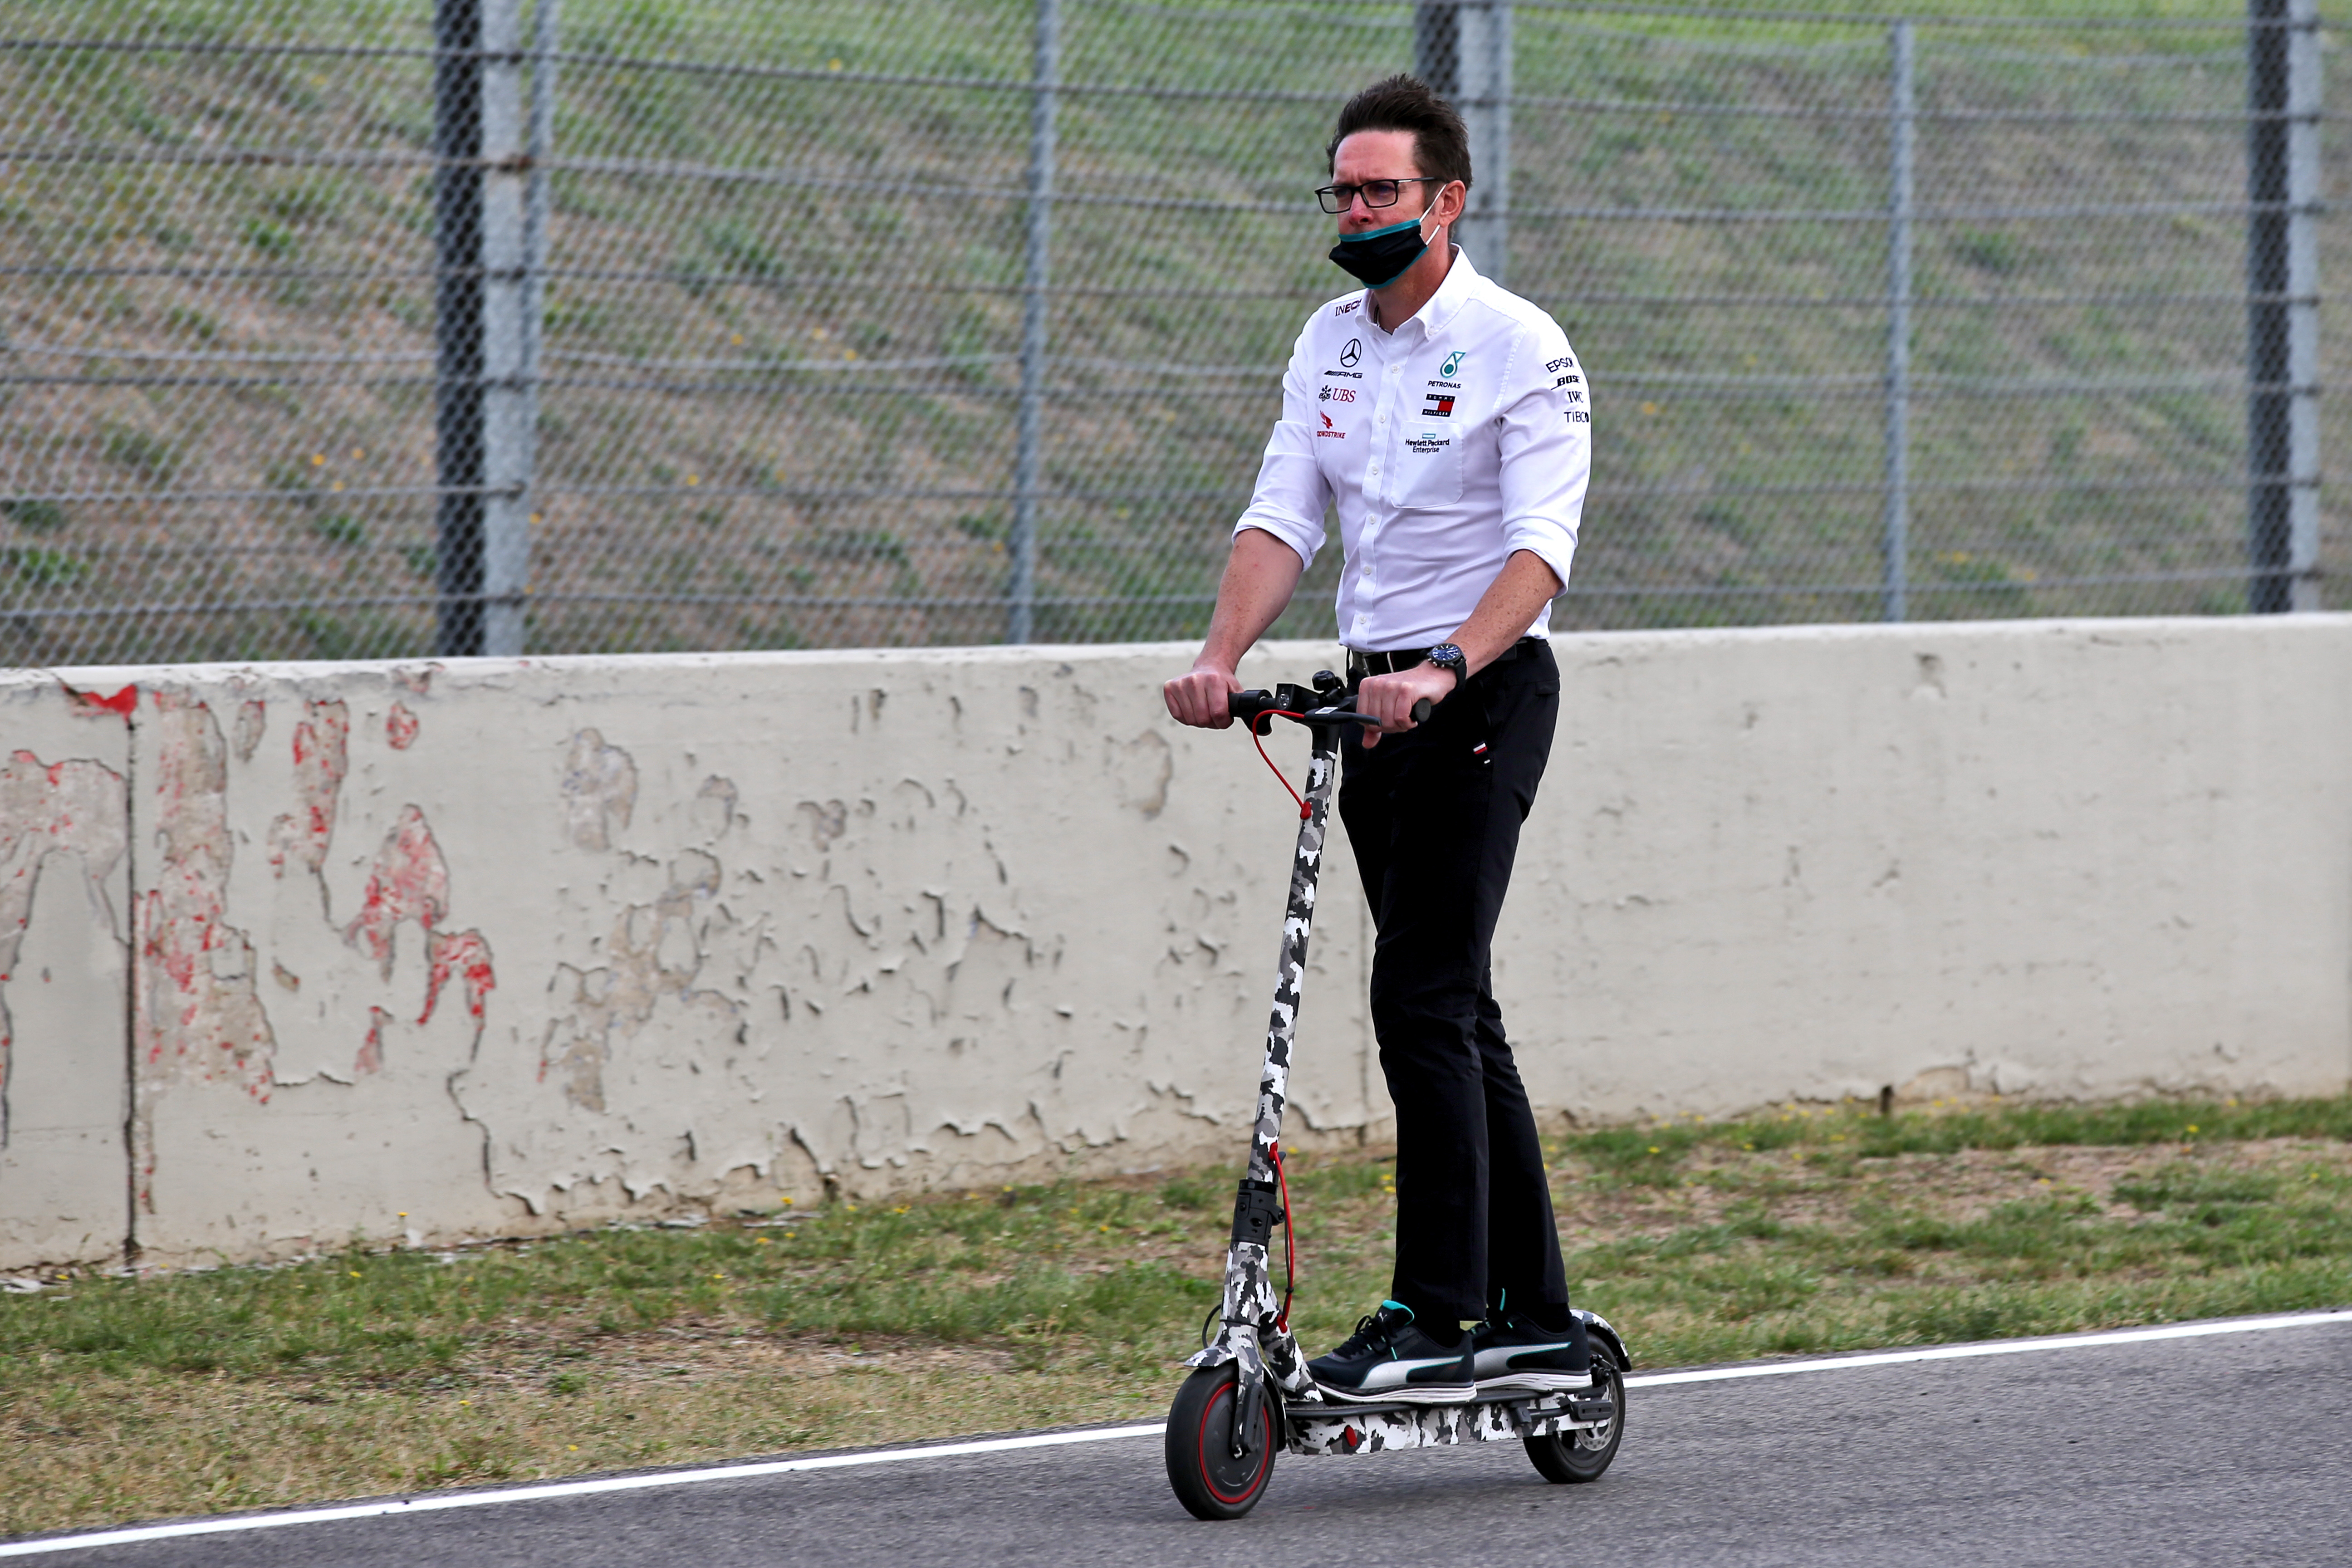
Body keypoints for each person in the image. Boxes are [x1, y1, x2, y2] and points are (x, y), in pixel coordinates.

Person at [1162, 75, 1593, 1404]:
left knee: (1418, 1000)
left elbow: (1540, 551)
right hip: (1368, 713)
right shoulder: (1330, 343)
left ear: (1446, 200)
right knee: (1458, 1005)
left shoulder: (1522, 345)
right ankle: (1533, 1310)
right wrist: (1219, 658)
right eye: (1342, 192)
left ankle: (1439, 1312)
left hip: (1479, 697)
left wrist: (1450, 662)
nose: (1356, 212)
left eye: (1381, 192)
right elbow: (1282, 514)